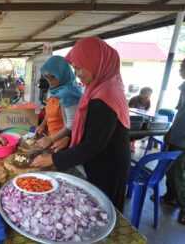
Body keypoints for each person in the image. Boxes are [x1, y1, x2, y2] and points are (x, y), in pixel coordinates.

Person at [31, 37, 131, 212]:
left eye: (78, 67)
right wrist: (68, 140)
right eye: (74, 68)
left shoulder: (105, 97)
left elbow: (92, 145)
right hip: (102, 159)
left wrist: (53, 159)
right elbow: (92, 130)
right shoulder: (101, 88)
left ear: (94, 61)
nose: (77, 74)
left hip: (107, 165)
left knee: (103, 211)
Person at [156, 58, 185, 225]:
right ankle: (171, 196)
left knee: (177, 173)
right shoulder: (184, 87)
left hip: (182, 140)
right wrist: (171, 131)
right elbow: (180, 113)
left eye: (182, 67)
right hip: (176, 135)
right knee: (170, 168)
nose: (180, 70)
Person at [35, 55, 83, 152]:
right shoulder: (54, 89)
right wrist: (43, 125)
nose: (49, 80)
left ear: (62, 74)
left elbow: (71, 125)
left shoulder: (68, 95)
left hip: (62, 142)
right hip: (51, 137)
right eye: (47, 76)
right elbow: (49, 112)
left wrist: (51, 139)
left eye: (52, 77)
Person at [128, 87, 153, 152]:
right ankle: (130, 143)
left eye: (150, 94)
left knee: (146, 129)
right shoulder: (134, 99)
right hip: (132, 120)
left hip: (141, 120)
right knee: (135, 128)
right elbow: (131, 112)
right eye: (146, 94)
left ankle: (133, 142)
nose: (148, 96)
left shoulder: (148, 101)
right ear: (140, 94)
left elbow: (147, 111)